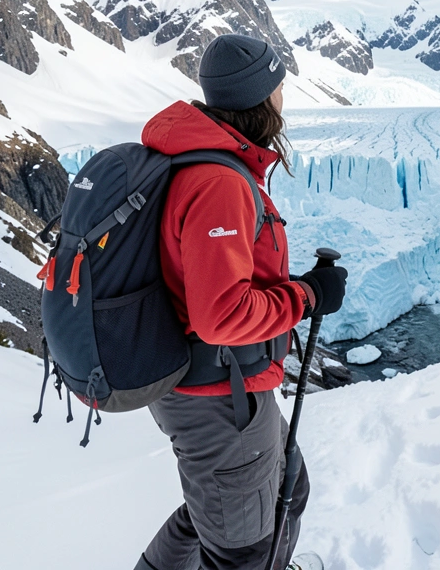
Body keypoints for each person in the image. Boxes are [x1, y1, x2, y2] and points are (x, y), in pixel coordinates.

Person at [134, 34, 347, 570]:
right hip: (215, 397)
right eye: (278, 87)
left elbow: (212, 277)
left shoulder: (202, 162)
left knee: (279, 490)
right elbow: (222, 314)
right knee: (241, 550)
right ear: (261, 98)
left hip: (228, 388)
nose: (283, 98)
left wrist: (286, 288)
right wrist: (306, 296)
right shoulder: (218, 182)